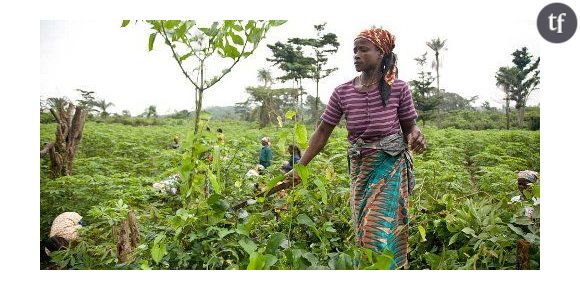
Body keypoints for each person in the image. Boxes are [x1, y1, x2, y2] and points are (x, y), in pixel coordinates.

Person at [275, 27, 427, 269]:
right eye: (354, 50)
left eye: (363, 49)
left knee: (374, 231)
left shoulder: (399, 88)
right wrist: (299, 168)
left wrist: (416, 137)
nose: (356, 54)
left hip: (389, 166)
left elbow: (410, 127)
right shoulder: (342, 92)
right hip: (360, 169)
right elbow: (322, 131)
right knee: (362, 229)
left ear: (381, 53)